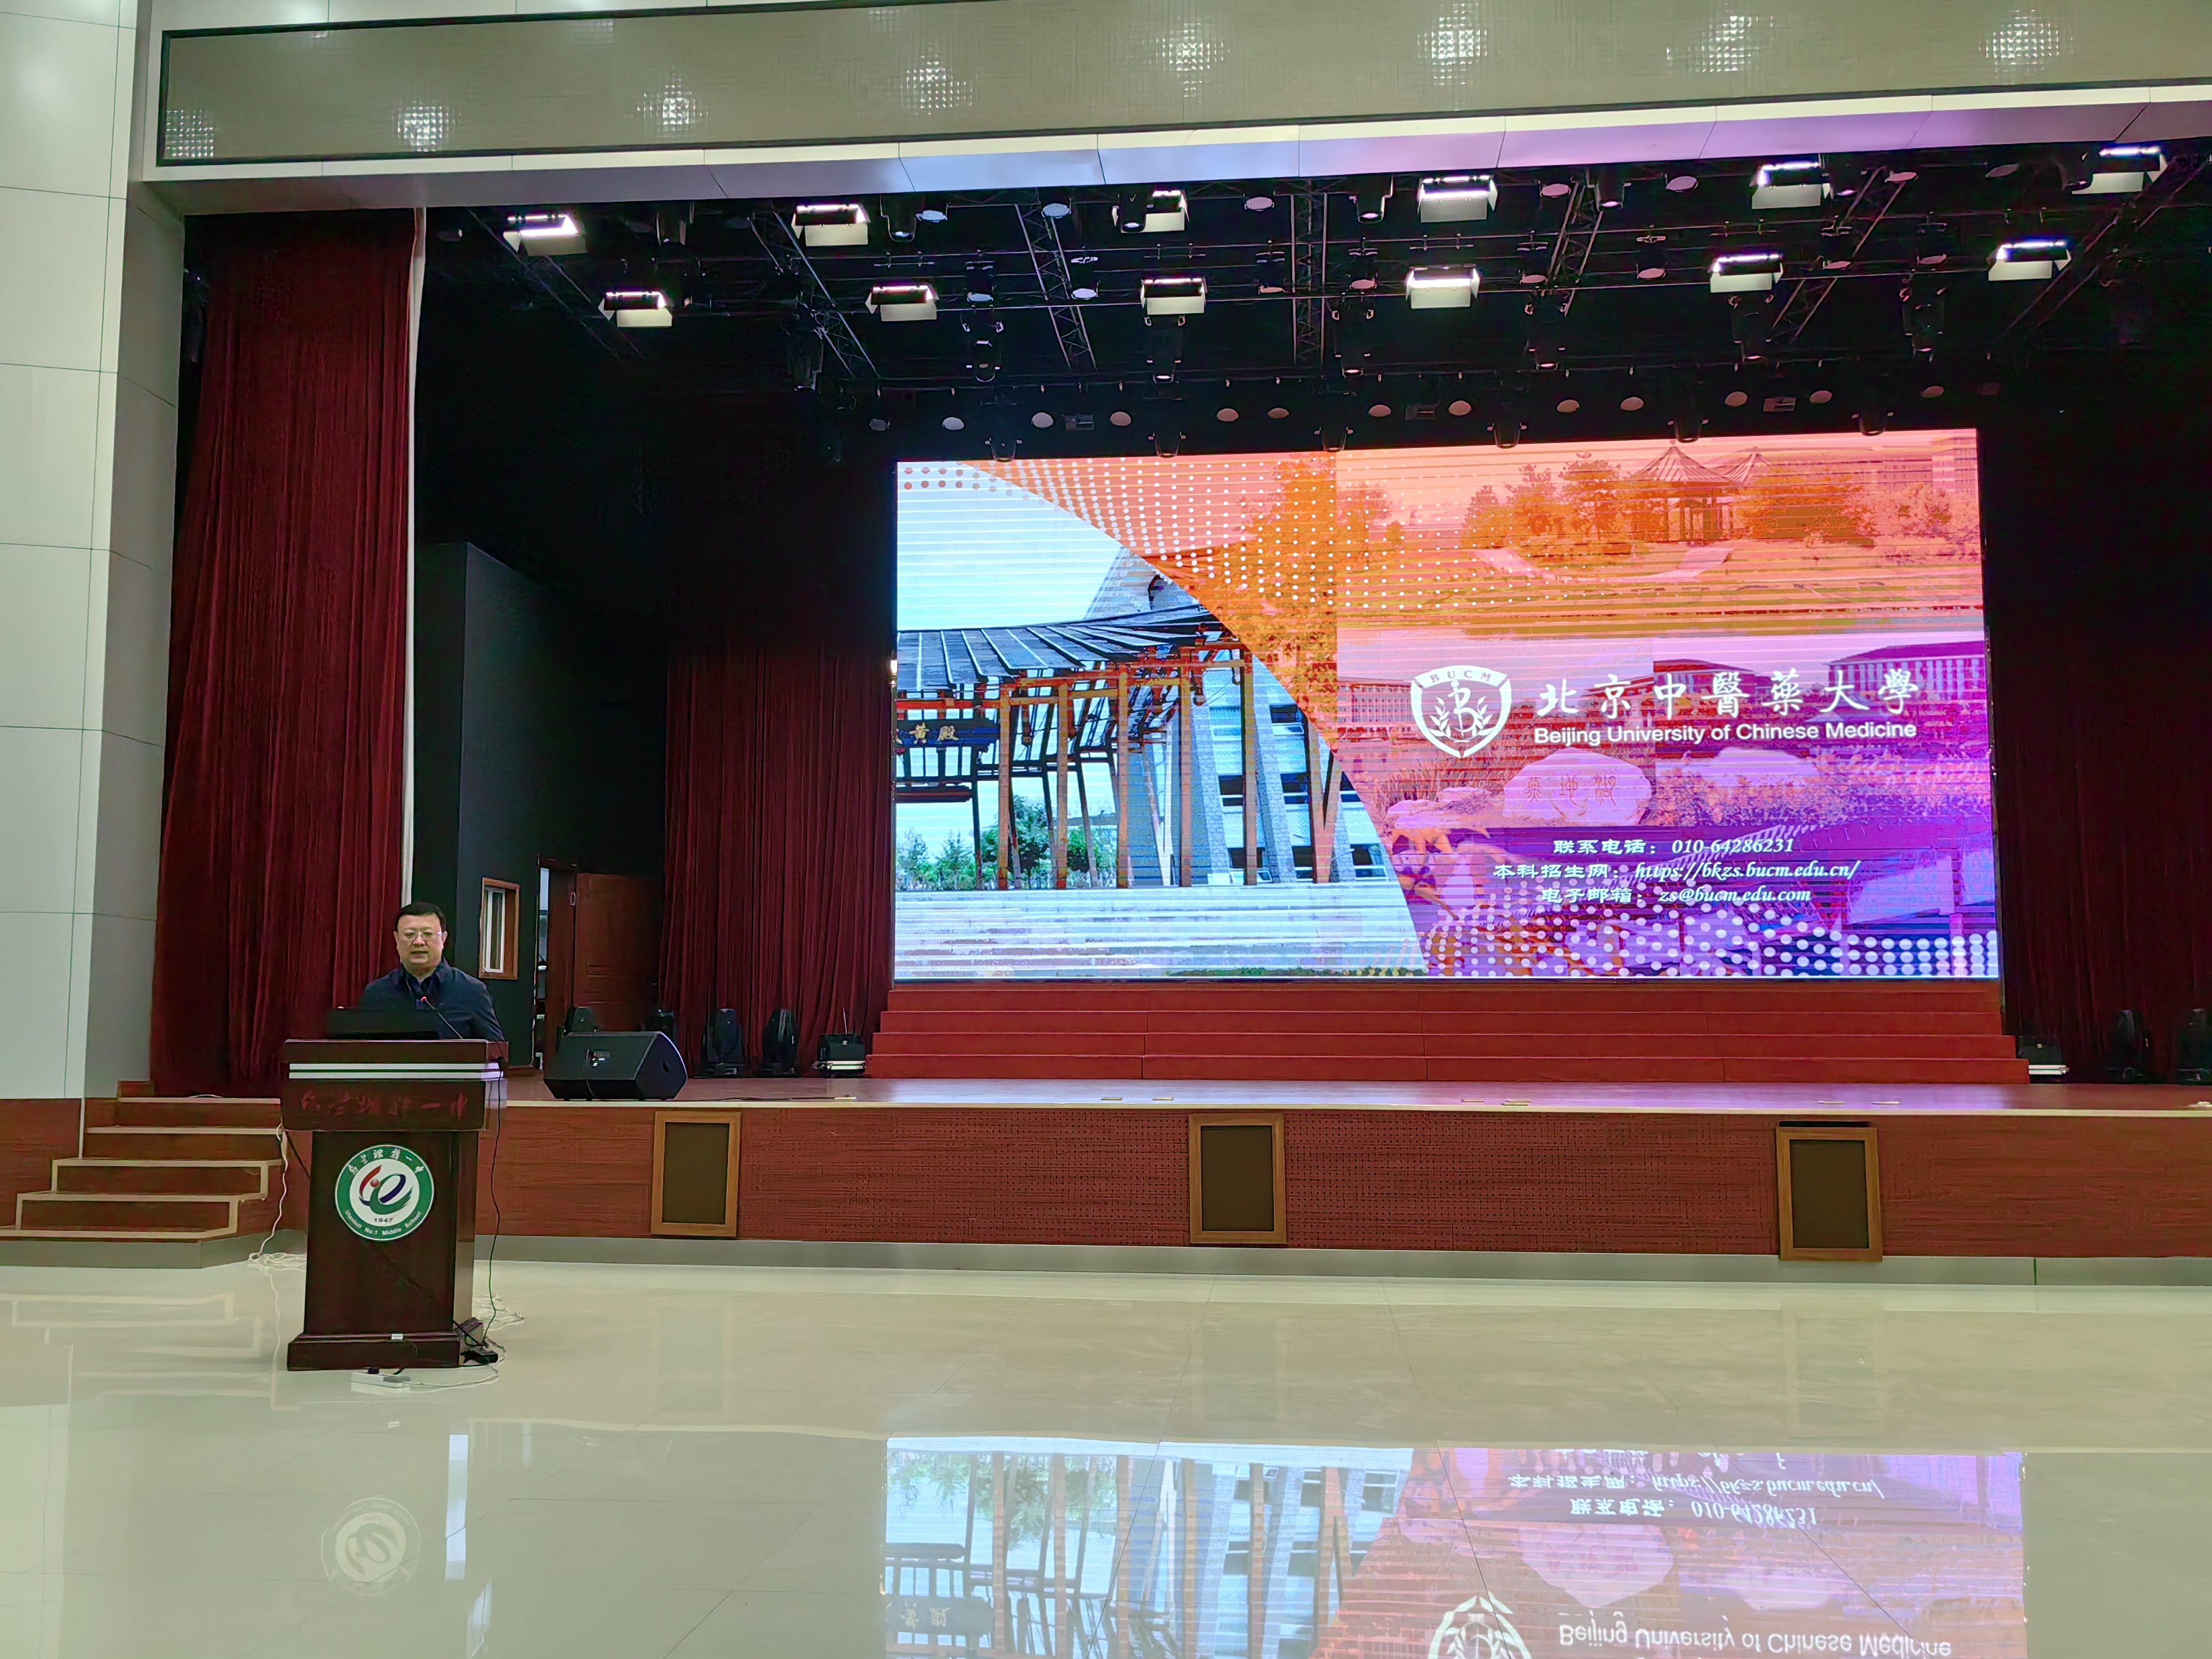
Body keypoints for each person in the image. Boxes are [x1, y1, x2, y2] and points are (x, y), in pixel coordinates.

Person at [359, 900, 505, 1042]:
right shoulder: (377, 992)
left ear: (444, 939)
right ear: (396, 939)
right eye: (409, 935)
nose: (418, 942)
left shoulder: (471, 991)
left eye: (428, 934)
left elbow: (496, 1050)